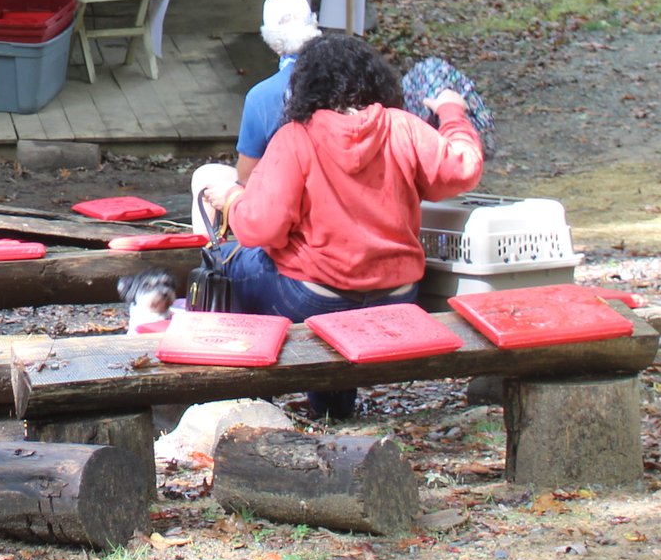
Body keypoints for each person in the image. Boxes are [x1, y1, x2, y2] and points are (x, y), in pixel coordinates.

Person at [194, 34, 483, 420]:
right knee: (308, 284)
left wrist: (232, 199)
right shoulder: (404, 127)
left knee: (229, 267)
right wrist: (451, 112)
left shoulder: (296, 137)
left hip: (311, 299)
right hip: (397, 296)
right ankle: (332, 408)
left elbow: (260, 229)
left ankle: (241, 399)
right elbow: (463, 168)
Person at [235, 0, 320, 183]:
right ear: (313, 24)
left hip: (285, 195)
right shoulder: (347, 77)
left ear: (270, 39)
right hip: (343, 192)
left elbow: (246, 176)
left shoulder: (261, 96)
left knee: (206, 176)